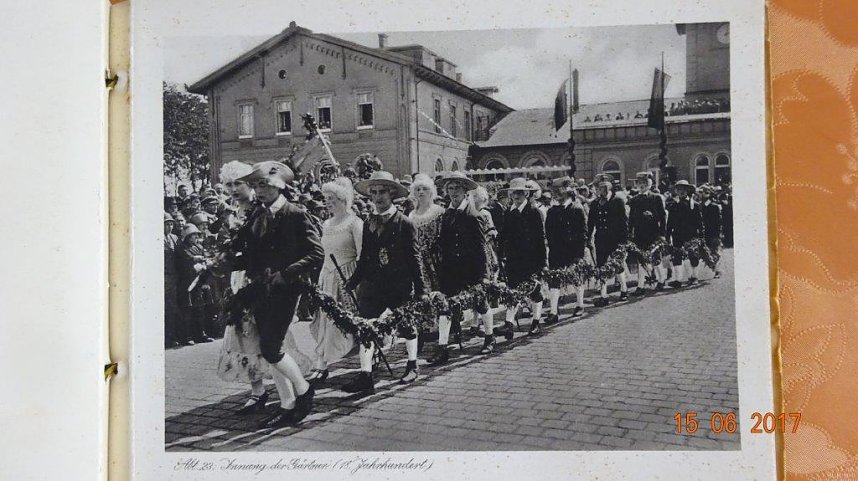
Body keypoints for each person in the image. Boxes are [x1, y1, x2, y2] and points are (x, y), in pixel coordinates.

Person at [226, 160, 324, 428]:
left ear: (279, 186)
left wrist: (286, 274)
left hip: (284, 290)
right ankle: (288, 404)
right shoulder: (258, 214)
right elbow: (249, 253)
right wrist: (229, 261)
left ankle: (304, 391)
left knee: (271, 348)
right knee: (268, 348)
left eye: (265, 185)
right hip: (258, 290)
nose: (259, 191)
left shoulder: (295, 214)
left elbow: (316, 253)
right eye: (256, 185)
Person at [344, 171, 427, 393]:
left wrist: (421, 289)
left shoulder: (405, 223)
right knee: (366, 328)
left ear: (392, 194)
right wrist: (354, 281)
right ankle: (365, 376)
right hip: (373, 285)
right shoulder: (368, 222)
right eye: (374, 193)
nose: (378, 197)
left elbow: (414, 257)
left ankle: (412, 364)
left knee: (407, 326)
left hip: (399, 285)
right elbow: (365, 257)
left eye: (383, 192)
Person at [430, 172, 489, 364]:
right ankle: (442, 348)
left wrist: (483, 276)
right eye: (450, 189)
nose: (453, 192)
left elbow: (481, 248)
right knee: (445, 306)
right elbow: (444, 241)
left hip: (470, 270)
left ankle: (489, 337)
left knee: (480, 303)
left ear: (466, 192)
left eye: (457, 188)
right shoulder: (446, 214)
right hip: (450, 270)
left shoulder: (474, 216)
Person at [307, 177, 362, 384]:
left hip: (348, 276)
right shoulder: (327, 223)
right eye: (326, 198)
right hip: (327, 276)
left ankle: (369, 356)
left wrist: (354, 280)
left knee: (350, 321)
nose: (327, 202)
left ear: (342, 199)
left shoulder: (355, 223)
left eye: (331, 198)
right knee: (326, 322)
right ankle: (321, 363)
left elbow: (362, 254)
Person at [498, 177, 546, 335]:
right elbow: (503, 236)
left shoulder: (533, 212)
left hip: (531, 260)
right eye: (513, 193)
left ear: (526, 193)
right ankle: (509, 324)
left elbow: (540, 240)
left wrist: (541, 264)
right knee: (513, 290)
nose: (516, 196)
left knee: (534, 291)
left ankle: (536, 321)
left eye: (519, 192)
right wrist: (499, 254)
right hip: (513, 260)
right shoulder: (509, 213)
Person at [544, 177, 587, 322]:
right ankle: (553, 312)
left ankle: (580, 304)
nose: (555, 195)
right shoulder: (552, 211)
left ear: (567, 192)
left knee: (576, 279)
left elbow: (582, 234)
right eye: (553, 192)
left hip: (572, 251)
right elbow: (548, 232)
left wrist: (579, 255)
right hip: (556, 252)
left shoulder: (577, 209)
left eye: (558, 192)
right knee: (554, 281)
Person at [587, 180, 629, 306]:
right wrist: (588, 238)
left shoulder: (618, 201)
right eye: (599, 188)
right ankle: (603, 296)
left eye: (603, 188)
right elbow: (591, 222)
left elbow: (623, 222)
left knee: (618, 265)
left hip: (615, 239)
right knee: (601, 267)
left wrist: (623, 241)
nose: (600, 191)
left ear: (609, 189)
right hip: (600, 239)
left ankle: (624, 290)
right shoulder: (595, 203)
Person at [174, 224, 216, 345]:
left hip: (198, 281)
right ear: (187, 236)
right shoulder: (181, 247)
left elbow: (205, 257)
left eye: (196, 235)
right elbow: (187, 258)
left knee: (200, 309)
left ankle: (201, 334)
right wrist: (196, 259)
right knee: (187, 309)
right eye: (192, 236)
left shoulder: (199, 246)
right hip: (186, 282)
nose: (195, 238)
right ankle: (187, 336)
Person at [628, 172, 667, 293]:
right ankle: (640, 285)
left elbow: (662, 217)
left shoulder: (656, 198)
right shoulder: (634, 200)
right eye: (639, 183)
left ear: (649, 184)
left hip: (653, 233)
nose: (641, 185)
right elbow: (631, 219)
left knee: (655, 258)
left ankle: (661, 279)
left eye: (644, 183)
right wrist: (630, 233)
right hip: (639, 234)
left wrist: (662, 234)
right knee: (641, 260)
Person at [666, 180, 704, 287]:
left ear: (687, 191)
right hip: (677, 235)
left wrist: (701, 235)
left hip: (691, 235)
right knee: (677, 257)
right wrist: (668, 236)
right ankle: (678, 280)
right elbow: (670, 223)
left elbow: (699, 222)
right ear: (676, 191)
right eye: (679, 189)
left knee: (693, 256)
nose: (681, 191)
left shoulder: (694, 205)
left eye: (683, 189)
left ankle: (694, 277)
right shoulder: (673, 206)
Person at [164, 213, 181, 348]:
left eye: (171, 224)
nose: (169, 227)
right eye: (166, 224)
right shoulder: (156, 238)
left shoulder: (174, 238)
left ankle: (172, 337)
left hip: (173, 276)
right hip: (163, 275)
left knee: (172, 307)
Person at [699, 185, 723, 278]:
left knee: (715, 251)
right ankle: (713, 267)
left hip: (713, 232)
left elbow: (719, 221)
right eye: (701, 192)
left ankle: (718, 270)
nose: (702, 194)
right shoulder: (699, 205)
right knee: (705, 252)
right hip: (703, 232)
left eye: (705, 192)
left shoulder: (714, 206)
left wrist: (719, 233)